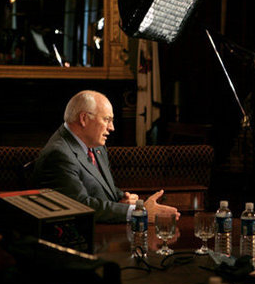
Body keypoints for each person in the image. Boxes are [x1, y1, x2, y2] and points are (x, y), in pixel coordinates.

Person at [33, 90, 179, 223]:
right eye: (107, 120)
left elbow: (105, 188)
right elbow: (80, 206)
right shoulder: (59, 154)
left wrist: (126, 199)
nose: (112, 127)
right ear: (84, 119)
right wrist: (137, 212)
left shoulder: (97, 146)